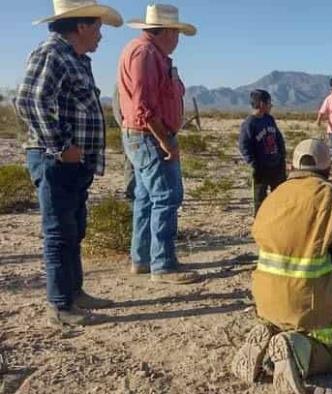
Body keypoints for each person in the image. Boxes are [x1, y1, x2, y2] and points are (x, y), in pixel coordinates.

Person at [15, 0, 123, 326]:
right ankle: (61, 306)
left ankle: (74, 293)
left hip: (72, 164)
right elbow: (28, 99)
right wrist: (61, 146)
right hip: (55, 161)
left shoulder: (74, 58)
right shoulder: (53, 53)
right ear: (81, 26)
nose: (101, 36)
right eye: (98, 28)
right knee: (59, 232)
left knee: (73, 229)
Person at [231, 139, 332, 394]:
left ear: (293, 165)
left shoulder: (275, 196)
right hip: (310, 304)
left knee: (285, 318)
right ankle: (295, 351)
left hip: (266, 300)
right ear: (328, 167)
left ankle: (269, 332)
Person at [117, 3, 199, 284]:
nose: (177, 40)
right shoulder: (145, 54)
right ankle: (162, 264)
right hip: (150, 135)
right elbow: (144, 106)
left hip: (144, 135)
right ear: (164, 31)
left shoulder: (151, 54)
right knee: (166, 196)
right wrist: (166, 141)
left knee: (146, 197)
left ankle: (142, 258)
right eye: (175, 33)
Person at [239, 89, 287, 215]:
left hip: (276, 165)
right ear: (261, 104)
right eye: (269, 102)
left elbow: (278, 138)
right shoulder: (249, 124)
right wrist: (253, 164)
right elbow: (244, 145)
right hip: (261, 167)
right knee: (260, 197)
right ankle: (260, 222)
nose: (271, 105)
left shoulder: (269, 119)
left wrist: (282, 157)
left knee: (280, 194)